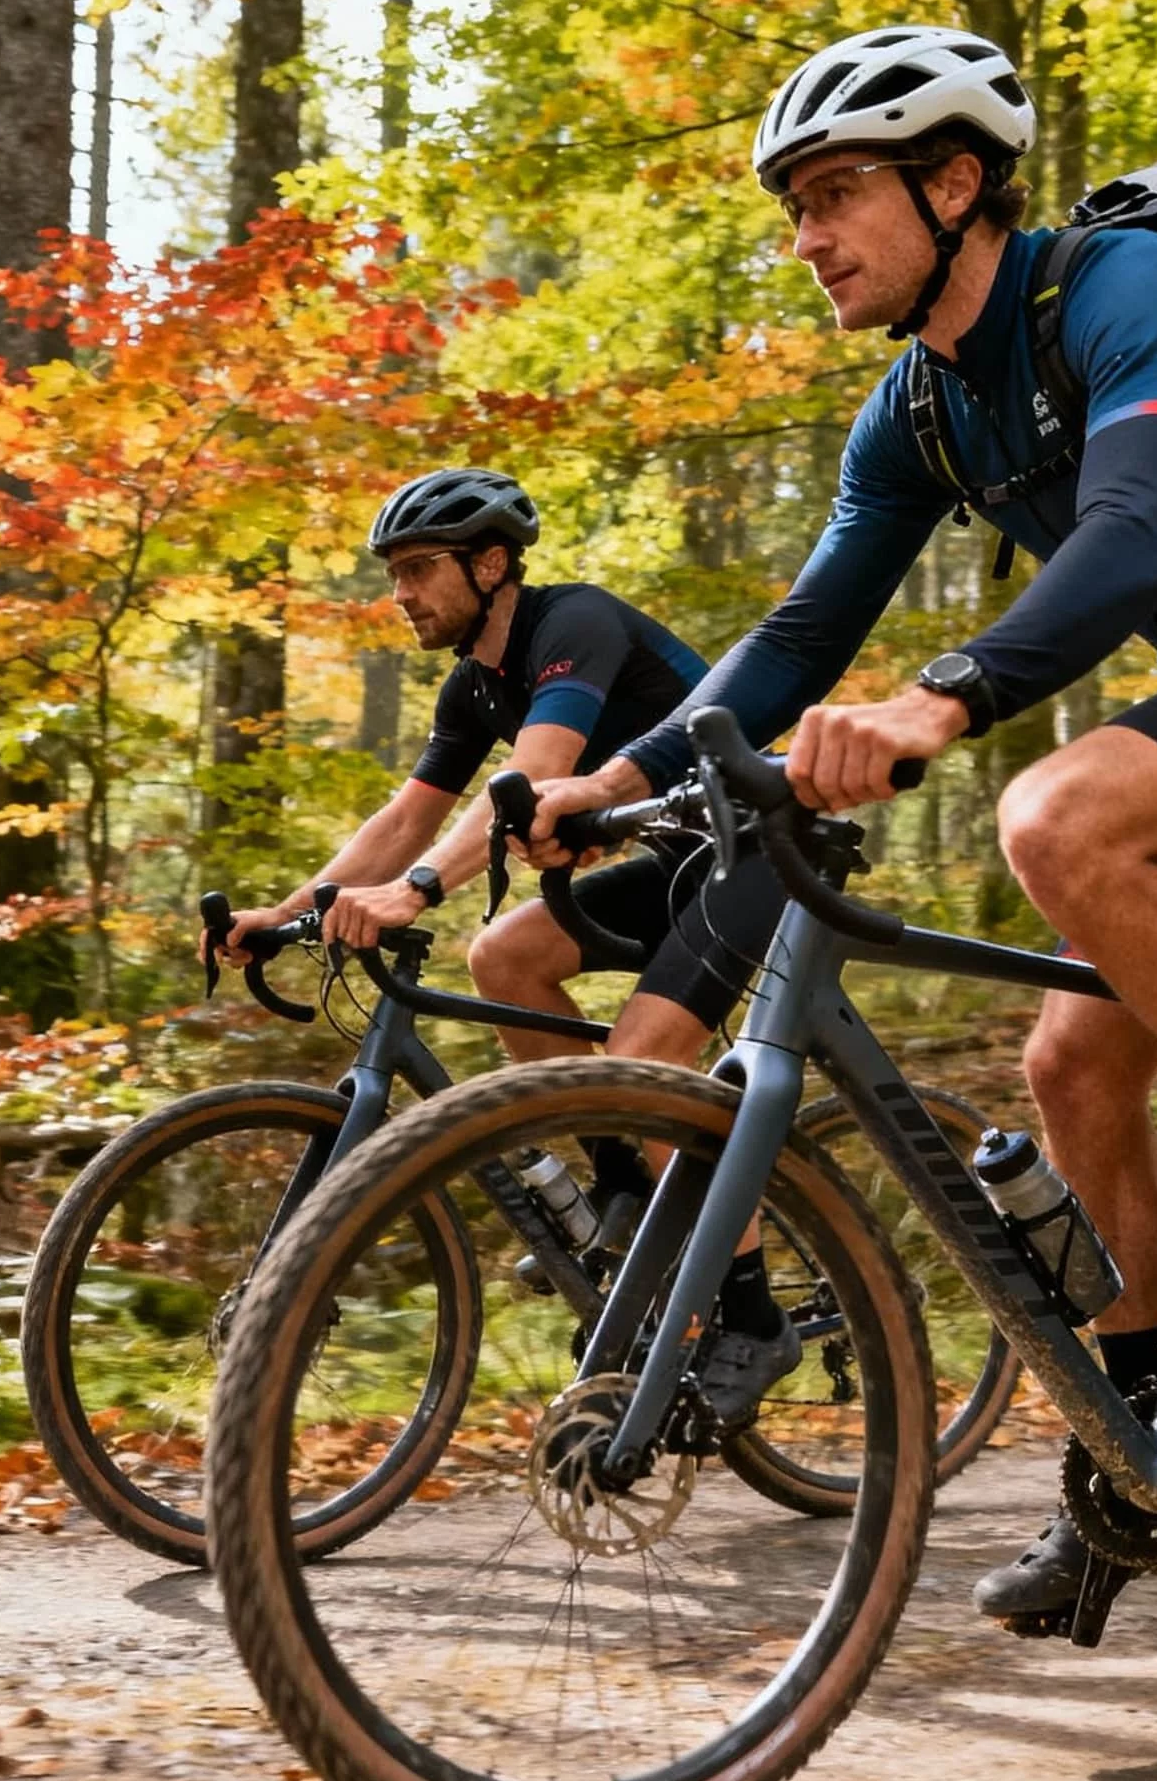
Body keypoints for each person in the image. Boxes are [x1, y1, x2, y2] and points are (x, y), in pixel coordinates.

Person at [523, 26, 1157, 1620]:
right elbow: (806, 632)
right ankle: (1148, 1458)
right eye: (794, 209)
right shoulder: (919, 408)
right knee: (1070, 1067)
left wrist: (942, 701)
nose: (807, 239)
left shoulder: (1124, 290)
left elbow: (1136, 535)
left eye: (834, 196)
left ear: (955, 182)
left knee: (1056, 817)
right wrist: (620, 783)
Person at [208, 465, 801, 1421]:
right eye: (392, 574)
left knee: (646, 1059)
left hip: (763, 850)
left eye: (419, 569)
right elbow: (408, 815)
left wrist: (415, 893)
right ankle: (625, 1187)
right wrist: (286, 913)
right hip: (677, 863)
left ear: (491, 564)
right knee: (505, 957)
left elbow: (533, 777)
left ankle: (753, 1315)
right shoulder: (472, 688)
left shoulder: (574, 625)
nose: (400, 594)